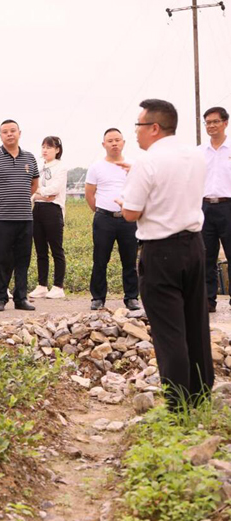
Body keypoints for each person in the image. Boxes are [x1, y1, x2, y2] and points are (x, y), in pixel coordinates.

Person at [120, 98, 213, 411]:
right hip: (194, 246)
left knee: (169, 331)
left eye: (139, 125)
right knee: (196, 323)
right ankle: (200, 395)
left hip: (161, 251)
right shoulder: (196, 155)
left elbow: (131, 213)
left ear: (154, 128)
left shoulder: (147, 162)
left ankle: (178, 406)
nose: (135, 131)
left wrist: (125, 199)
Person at [0, 119, 39, 312]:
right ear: (0, 136)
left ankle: (21, 298)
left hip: (25, 218)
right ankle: (0, 298)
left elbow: (34, 184)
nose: (9, 134)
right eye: (5, 132)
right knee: (0, 259)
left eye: (13, 130)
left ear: (19, 133)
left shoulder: (30, 158)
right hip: (1, 219)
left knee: (23, 260)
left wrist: (20, 198)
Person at [85, 129, 140, 311]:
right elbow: (89, 194)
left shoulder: (133, 165)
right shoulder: (96, 167)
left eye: (117, 140)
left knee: (129, 260)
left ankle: (131, 297)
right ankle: (98, 298)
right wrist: (100, 210)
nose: (114, 143)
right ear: (104, 144)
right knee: (100, 259)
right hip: (104, 219)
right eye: (110, 141)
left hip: (128, 219)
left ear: (123, 142)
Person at [199, 106, 231, 313]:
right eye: (208, 122)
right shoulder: (199, 152)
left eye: (215, 122)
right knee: (205, 256)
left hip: (228, 205)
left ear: (225, 123)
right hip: (205, 207)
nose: (211, 126)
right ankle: (207, 300)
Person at [29, 136, 68, 300]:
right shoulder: (39, 167)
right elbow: (31, 189)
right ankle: (42, 285)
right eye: (43, 147)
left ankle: (58, 286)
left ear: (57, 150)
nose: (45, 150)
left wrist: (38, 192)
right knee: (40, 250)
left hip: (53, 210)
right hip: (37, 209)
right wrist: (41, 195)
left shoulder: (61, 167)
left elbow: (55, 190)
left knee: (56, 249)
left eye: (49, 147)